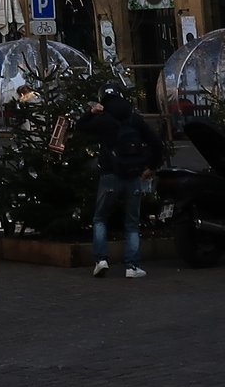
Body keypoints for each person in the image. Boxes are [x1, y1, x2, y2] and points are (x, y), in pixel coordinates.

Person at [65, 88, 164, 279]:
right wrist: (151, 166)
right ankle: (132, 266)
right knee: (132, 223)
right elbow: (156, 143)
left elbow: (80, 127)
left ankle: (101, 260)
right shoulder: (135, 119)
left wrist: (91, 112)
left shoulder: (104, 120)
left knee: (100, 218)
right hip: (134, 175)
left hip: (110, 174)